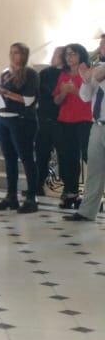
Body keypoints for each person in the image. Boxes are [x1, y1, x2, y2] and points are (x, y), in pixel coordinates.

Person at [0, 43, 40, 213]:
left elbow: (28, 100)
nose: (13, 56)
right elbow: (2, 96)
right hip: (3, 119)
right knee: (9, 159)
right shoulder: (6, 74)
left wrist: (6, 93)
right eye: (11, 52)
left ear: (24, 55)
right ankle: (11, 196)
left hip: (21, 120)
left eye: (17, 53)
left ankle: (31, 197)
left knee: (26, 158)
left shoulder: (30, 74)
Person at [53, 43, 93, 209]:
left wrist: (75, 90)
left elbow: (90, 97)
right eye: (67, 54)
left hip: (84, 119)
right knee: (68, 158)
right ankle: (71, 193)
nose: (69, 57)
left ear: (80, 55)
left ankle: (94, 195)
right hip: (65, 120)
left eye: (73, 54)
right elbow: (56, 101)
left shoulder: (88, 72)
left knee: (88, 156)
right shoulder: (63, 75)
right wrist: (64, 92)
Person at [65, 60, 105, 221]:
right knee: (94, 170)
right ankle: (87, 212)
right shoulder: (99, 68)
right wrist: (87, 81)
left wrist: (100, 79)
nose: (102, 48)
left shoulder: (100, 72)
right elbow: (85, 97)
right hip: (97, 125)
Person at [35, 47, 65, 197]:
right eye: (54, 53)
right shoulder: (45, 72)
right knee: (41, 154)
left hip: (61, 120)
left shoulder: (66, 74)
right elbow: (39, 92)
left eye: (57, 54)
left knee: (64, 155)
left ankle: (68, 189)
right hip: (44, 118)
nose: (53, 56)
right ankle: (37, 185)